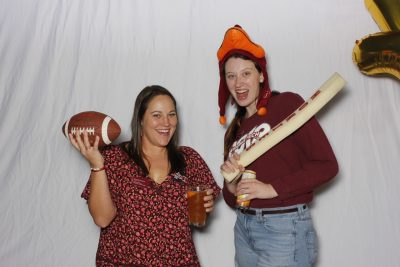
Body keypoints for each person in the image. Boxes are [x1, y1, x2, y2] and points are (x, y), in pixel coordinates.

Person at [217, 25, 339, 267]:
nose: (238, 83)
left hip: (283, 230)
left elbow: (327, 166)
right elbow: (233, 201)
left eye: (246, 74)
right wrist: (231, 186)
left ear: (261, 75)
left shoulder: (286, 104)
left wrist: (271, 188)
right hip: (244, 229)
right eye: (231, 76)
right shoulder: (235, 129)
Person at [69, 85, 221, 266]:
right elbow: (102, 219)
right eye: (157, 115)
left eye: (171, 114)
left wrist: (205, 207)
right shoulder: (114, 158)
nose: (166, 122)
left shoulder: (189, 159)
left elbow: (198, 221)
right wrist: (97, 165)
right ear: (140, 119)